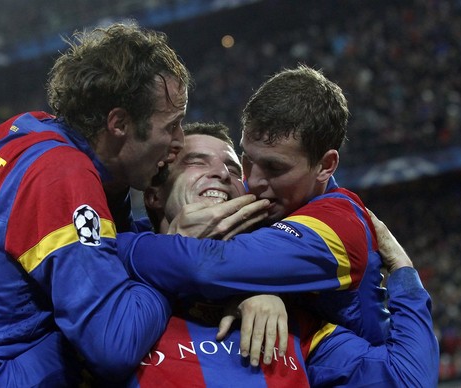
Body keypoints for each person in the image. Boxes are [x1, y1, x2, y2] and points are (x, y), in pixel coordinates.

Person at [0, 22, 270, 387]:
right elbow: (113, 346)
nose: (179, 142)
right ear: (119, 123)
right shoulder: (61, 175)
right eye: (172, 125)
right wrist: (179, 254)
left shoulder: (30, 129)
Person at [127, 122, 438, 387]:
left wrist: (402, 270)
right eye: (196, 161)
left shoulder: (291, 323)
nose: (222, 173)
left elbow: (406, 379)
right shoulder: (114, 285)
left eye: (234, 169)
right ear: (154, 196)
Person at [118, 65, 390, 358]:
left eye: (274, 167)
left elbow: (207, 266)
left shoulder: (337, 224)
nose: (253, 182)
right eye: (246, 162)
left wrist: (105, 247)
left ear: (325, 166)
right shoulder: (265, 208)